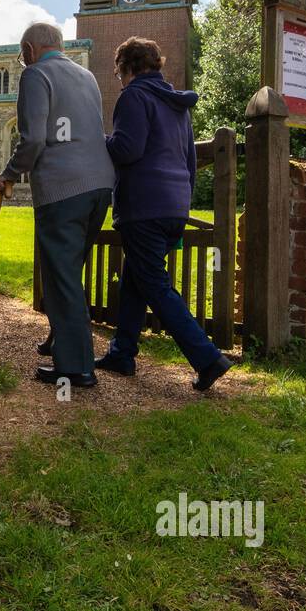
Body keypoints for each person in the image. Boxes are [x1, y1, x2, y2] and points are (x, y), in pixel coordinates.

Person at [98, 37, 235, 391]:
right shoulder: (177, 106)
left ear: (129, 67)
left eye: (118, 73)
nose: (119, 80)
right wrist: (181, 203)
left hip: (143, 205)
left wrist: (100, 140)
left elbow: (127, 149)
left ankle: (207, 357)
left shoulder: (134, 96)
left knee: (155, 285)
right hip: (173, 205)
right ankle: (122, 352)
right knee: (135, 279)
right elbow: (190, 161)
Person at [0, 22, 114, 388]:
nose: (23, 61)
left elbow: (33, 140)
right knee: (69, 274)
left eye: (22, 55)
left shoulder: (35, 75)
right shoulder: (88, 77)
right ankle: (62, 341)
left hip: (63, 189)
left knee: (61, 279)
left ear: (29, 50)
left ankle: (76, 369)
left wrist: (10, 174)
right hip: (100, 187)